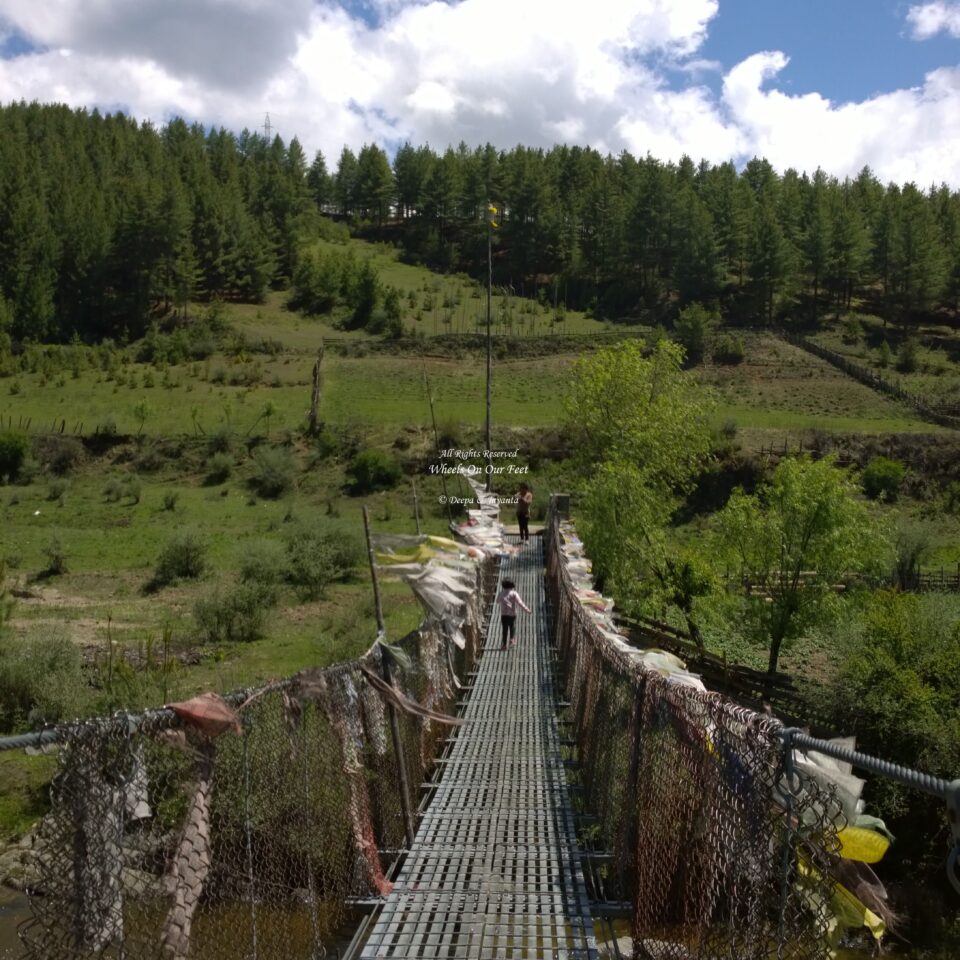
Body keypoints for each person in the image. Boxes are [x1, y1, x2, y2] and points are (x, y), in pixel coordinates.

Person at [498, 578, 531, 649]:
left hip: (504, 614)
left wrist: (503, 599)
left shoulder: (501, 593)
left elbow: (497, 601)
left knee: (504, 629)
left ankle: (504, 645)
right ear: (512, 585)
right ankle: (512, 639)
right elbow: (520, 603)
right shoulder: (514, 593)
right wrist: (527, 610)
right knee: (512, 626)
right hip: (512, 614)